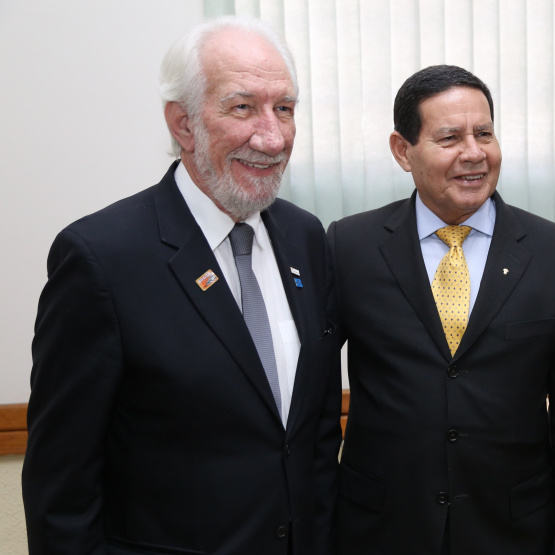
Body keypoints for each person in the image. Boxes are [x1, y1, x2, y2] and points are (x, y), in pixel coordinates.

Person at [22, 17, 341, 555]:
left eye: (284, 108)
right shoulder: (102, 258)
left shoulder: (305, 237)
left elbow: (314, 434)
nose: (273, 136)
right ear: (184, 124)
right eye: (243, 107)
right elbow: (61, 485)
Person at [329, 65, 555, 554]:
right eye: (449, 137)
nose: (474, 153)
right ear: (403, 150)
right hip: (381, 530)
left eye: (484, 133)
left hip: (514, 531)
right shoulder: (349, 246)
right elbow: (310, 399)